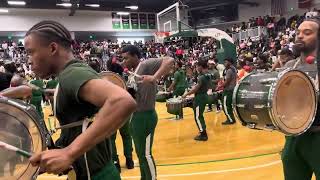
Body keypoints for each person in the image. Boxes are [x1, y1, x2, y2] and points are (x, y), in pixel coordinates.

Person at [23, 20, 136, 179]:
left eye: (30, 52)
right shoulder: (68, 75)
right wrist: (60, 152)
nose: (28, 60)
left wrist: (69, 153)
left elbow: (123, 101)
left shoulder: (72, 74)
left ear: (53, 48)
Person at [122, 45, 174, 180]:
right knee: (140, 154)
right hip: (136, 117)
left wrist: (154, 77)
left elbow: (169, 60)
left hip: (145, 117)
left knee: (145, 155)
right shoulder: (134, 72)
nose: (124, 61)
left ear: (135, 56)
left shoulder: (145, 64)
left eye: (126, 58)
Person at [281, 17, 320, 180]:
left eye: (307, 32)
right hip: (294, 137)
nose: (300, 36)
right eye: (298, 32)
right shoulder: (289, 67)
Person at [182, 60, 211, 141]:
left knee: (198, 116)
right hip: (204, 95)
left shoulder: (201, 77)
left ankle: (203, 134)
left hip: (200, 97)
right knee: (200, 115)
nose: (197, 68)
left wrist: (186, 94)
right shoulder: (207, 75)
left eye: (197, 66)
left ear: (201, 66)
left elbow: (196, 88)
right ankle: (202, 130)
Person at [221, 58, 237, 125]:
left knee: (225, 105)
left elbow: (227, 81)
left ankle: (230, 120)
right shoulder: (234, 69)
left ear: (230, 62)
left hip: (228, 90)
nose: (224, 64)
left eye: (226, 62)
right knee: (229, 105)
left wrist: (219, 86)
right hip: (232, 88)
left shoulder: (229, 71)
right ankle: (232, 118)